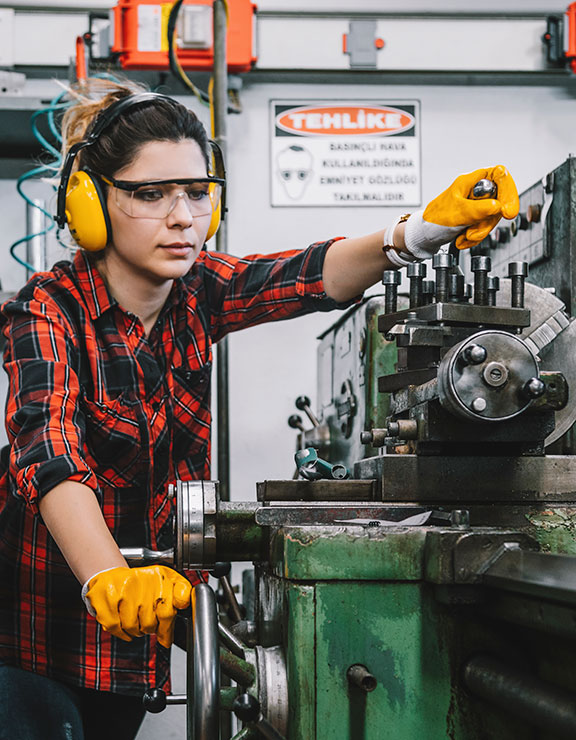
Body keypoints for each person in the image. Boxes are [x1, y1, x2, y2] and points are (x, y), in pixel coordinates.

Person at [0, 77, 519, 740]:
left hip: (137, 636)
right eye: (151, 194)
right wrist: (106, 575)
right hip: (36, 633)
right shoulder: (46, 309)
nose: (183, 216)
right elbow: (50, 450)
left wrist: (419, 232)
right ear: (89, 204)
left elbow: (307, 276)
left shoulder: (198, 293)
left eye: (196, 191)